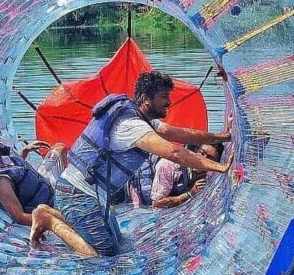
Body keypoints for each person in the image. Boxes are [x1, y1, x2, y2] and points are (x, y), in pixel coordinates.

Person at [53, 70, 233, 257]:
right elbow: (174, 153)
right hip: (78, 194)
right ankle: (51, 222)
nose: (169, 102)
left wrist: (224, 137)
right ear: (146, 99)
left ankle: (55, 215)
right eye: (163, 97)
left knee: (122, 246)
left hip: (93, 194)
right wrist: (220, 167)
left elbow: (180, 134)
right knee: (104, 258)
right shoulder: (132, 126)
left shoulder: (142, 118)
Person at [0, 123, 97, 257]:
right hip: (50, 205)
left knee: (59, 147)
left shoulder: (0, 162)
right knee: (86, 222)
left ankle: (66, 182)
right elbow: (19, 217)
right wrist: (52, 220)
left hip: (48, 186)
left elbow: (18, 174)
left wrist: (25, 151)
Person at [150, 142, 224, 209]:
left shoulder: (210, 175)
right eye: (202, 153)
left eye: (210, 158)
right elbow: (157, 205)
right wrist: (190, 194)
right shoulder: (168, 166)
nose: (203, 159)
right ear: (196, 151)